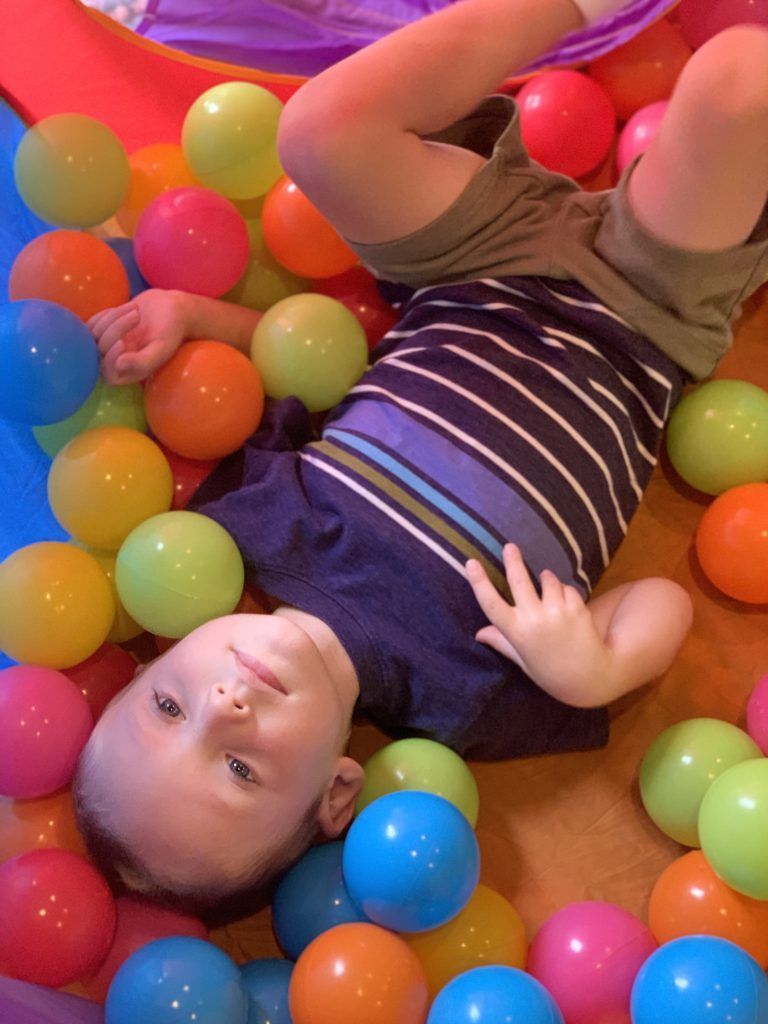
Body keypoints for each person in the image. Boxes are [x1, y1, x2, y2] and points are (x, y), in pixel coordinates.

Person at [74, 0, 768, 924]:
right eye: (238, 768)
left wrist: (196, 318)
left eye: (169, 706)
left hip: (473, 266)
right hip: (645, 317)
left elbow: (314, 370)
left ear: (166, 652)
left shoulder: (246, 531)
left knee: (318, 129)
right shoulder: (465, 701)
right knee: (737, 83)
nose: (227, 704)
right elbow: (664, 604)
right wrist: (593, 670)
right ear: (336, 794)